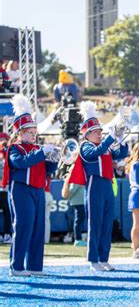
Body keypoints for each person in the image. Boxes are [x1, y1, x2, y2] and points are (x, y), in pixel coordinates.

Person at [2, 94, 58, 276]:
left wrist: (56, 159)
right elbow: (21, 163)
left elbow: (47, 170)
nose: (33, 135)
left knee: (37, 227)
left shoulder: (36, 150)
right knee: (24, 225)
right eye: (29, 132)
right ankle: (16, 266)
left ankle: (35, 266)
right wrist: (43, 152)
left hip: (38, 189)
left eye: (34, 132)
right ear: (20, 133)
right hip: (21, 189)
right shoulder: (14, 148)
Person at [69, 101, 128, 272]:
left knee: (106, 223)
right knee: (95, 223)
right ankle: (93, 259)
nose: (99, 134)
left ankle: (104, 258)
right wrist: (110, 138)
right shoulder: (86, 146)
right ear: (87, 134)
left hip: (107, 184)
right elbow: (94, 153)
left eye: (100, 131)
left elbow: (120, 154)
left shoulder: (104, 146)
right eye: (96, 131)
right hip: (94, 184)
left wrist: (120, 138)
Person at [0, 133, 12, 244]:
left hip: (4, 189)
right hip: (5, 190)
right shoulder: (6, 160)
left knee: (7, 214)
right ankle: (6, 234)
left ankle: (4, 235)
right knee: (7, 214)